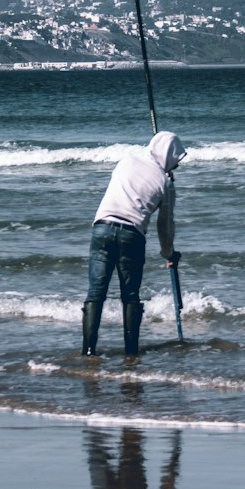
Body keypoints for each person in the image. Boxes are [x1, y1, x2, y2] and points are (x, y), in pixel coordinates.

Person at [83, 130, 187, 357]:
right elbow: (165, 226)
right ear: (169, 157)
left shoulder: (127, 160)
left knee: (95, 293)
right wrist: (168, 254)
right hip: (131, 235)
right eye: (176, 161)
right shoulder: (165, 184)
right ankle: (131, 352)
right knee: (130, 296)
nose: (176, 167)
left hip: (101, 228)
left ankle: (89, 352)